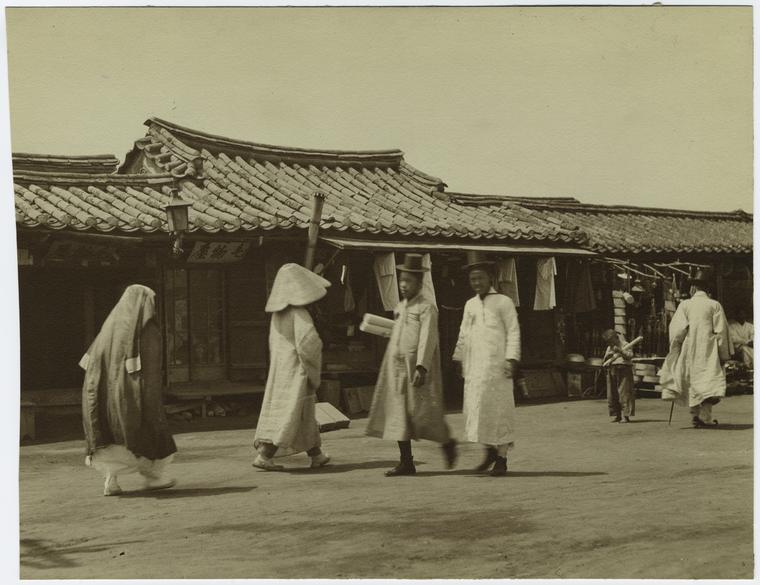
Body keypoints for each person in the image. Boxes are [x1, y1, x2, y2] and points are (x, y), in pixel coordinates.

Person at [366, 253, 458, 476]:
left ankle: (446, 442)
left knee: (423, 412)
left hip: (415, 368)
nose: (404, 285)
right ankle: (406, 461)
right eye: (402, 281)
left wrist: (421, 366)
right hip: (396, 368)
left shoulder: (427, 308)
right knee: (398, 412)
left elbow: (428, 338)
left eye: (409, 281)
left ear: (419, 283)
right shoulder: (400, 307)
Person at [80, 284, 176, 496]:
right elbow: (150, 368)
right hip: (129, 394)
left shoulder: (108, 328)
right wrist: (151, 398)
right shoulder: (146, 329)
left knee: (110, 436)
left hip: (104, 397)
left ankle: (111, 481)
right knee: (142, 434)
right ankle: (154, 478)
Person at [253, 263, 332, 471]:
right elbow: (309, 344)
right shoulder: (299, 314)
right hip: (298, 370)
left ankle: (317, 454)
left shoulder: (278, 315)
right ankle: (265, 455)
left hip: (282, 370)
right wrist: (314, 371)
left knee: (304, 415)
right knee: (289, 413)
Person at [452, 251, 521, 477]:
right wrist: (459, 359)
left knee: (499, 412)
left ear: (490, 278)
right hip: (475, 369)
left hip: (497, 368)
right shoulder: (470, 305)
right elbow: (463, 333)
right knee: (478, 411)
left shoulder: (504, 302)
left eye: (480, 278)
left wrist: (511, 359)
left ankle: (502, 457)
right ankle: (488, 451)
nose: (477, 283)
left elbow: (513, 332)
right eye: (473, 279)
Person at [659, 268, 731, 428]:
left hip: (690, 349)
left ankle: (695, 416)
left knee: (692, 380)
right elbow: (721, 331)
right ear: (708, 288)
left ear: (693, 288)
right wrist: (723, 354)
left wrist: (676, 347)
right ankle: (705, 417)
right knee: (708, 382)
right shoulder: (715, 305)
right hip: (708, 350)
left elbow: (677, 330)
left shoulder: (685, 305)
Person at [601, 329, 635, 423]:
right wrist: (608, 355)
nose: (610, 343)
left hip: (623, 369)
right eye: (608, 342)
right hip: (612, 369)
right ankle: (617, 415)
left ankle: (626, 416)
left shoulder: (625, 344)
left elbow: (630, 355)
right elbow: (605, 360)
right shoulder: (609, 348)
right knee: (612, 394)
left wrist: (621, 351)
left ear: (616, 338)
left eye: (611, 341)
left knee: (624, 392)